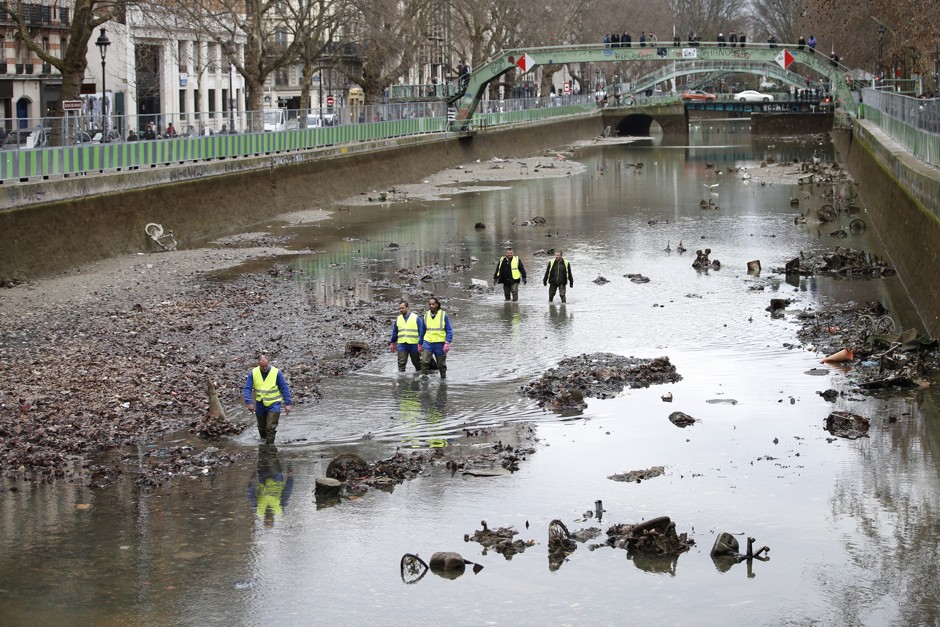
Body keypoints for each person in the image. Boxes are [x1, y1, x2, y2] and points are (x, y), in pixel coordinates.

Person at [243, 355, 293, 445]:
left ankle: (269, 447)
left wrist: (288, 403)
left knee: (270, 428)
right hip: (260, 403)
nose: (265, 368)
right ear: (259, 364)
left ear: (268, 363)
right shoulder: (253, 373)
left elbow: (284, 388)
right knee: (261, 427)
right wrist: (249, 402)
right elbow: (247, 388)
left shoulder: (276, 372)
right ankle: (263, 443)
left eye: (266, 365)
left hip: (274, 403)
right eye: (262, 366)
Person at [248, 445, 293, 527]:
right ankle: (271, 441)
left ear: (264, 520)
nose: (268, 518)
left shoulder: (258, 511)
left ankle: (263, 442)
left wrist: (252, 483)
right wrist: (290, 478)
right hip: (277, 478)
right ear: (273, 519)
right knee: (272, 456)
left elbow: (251, 496)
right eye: (270, 520)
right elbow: (287, 493)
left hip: (263, 478)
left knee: (262, 456)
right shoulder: (279, 510)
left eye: (267, 521)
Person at [421, 297, 453, 379]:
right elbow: (422, 330)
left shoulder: (443, 315)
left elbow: (449, 330)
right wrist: (420, 343)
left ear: (437, 305)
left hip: (440, 344)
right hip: (428, 342)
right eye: (430, 304)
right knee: (424, 362)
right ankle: (424, 379)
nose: (431, 306)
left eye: (433, 304)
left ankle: (443, 379)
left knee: (441, 365)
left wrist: (447, 342)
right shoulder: (426, 315)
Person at [389, 300, 425, 373]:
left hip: (414, 344)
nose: (401, 310)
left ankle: (420, 377)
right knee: (401, 364)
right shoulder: (398, 318)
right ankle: (401, 381)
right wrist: (393, 342)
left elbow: (421, 331)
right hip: (402, 344)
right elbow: (395, 332)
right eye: (400, 308)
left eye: (402, 308)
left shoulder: (416, 318)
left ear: (408, 308)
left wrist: (421, 343)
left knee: (417, 363)